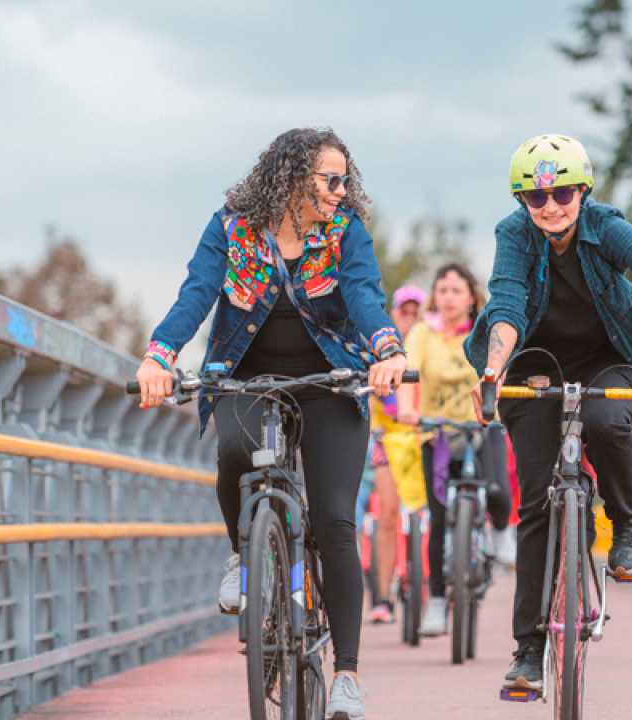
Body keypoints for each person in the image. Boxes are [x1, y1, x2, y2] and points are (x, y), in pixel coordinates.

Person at [135, 127, 408, 719]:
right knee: (235, 449)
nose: (340, 191)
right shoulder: (232, 228)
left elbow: (363, 295)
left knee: (336, 522)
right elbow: (197, 295)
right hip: (246, 377)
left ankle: (348, 677)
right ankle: (244, 551)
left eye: (344, 180)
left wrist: (387, 350)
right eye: (328, 180)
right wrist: (160, 356)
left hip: (329, 381)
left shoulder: (343, 231)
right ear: (290, 176)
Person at [467, 134, 632, 692]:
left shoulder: (603, 224)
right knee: (536, 506)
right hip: (532, 367)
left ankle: (626, 524)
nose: (550, 206)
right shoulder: (514, 233)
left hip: (609, 359)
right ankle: (528, 651)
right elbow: (505, 302)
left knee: (605, 421)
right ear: (522, 201)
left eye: (563, 193)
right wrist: (493, 369)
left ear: (583, 191)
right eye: (535, 197)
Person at [395, 263, 515, 637]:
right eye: (442, 290)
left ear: (471, 297)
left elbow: (503, 367)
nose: (449, 297)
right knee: (439, 512)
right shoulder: (421, 333)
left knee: (497, 489)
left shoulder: (486, 330)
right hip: (439, 431)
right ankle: (435, 602)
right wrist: (407, 409)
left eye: (456, 290)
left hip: (482, 425)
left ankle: (499, 534)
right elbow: (407, 371)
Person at [367, 283, 426, 624]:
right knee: (388, 514)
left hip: (424, 435)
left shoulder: (428, 345)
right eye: (404, 311)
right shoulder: (379, 348)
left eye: (416, 312)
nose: (410, 318)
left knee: (428, 513)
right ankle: (383, 595)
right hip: (386, 437)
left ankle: (433, 588)